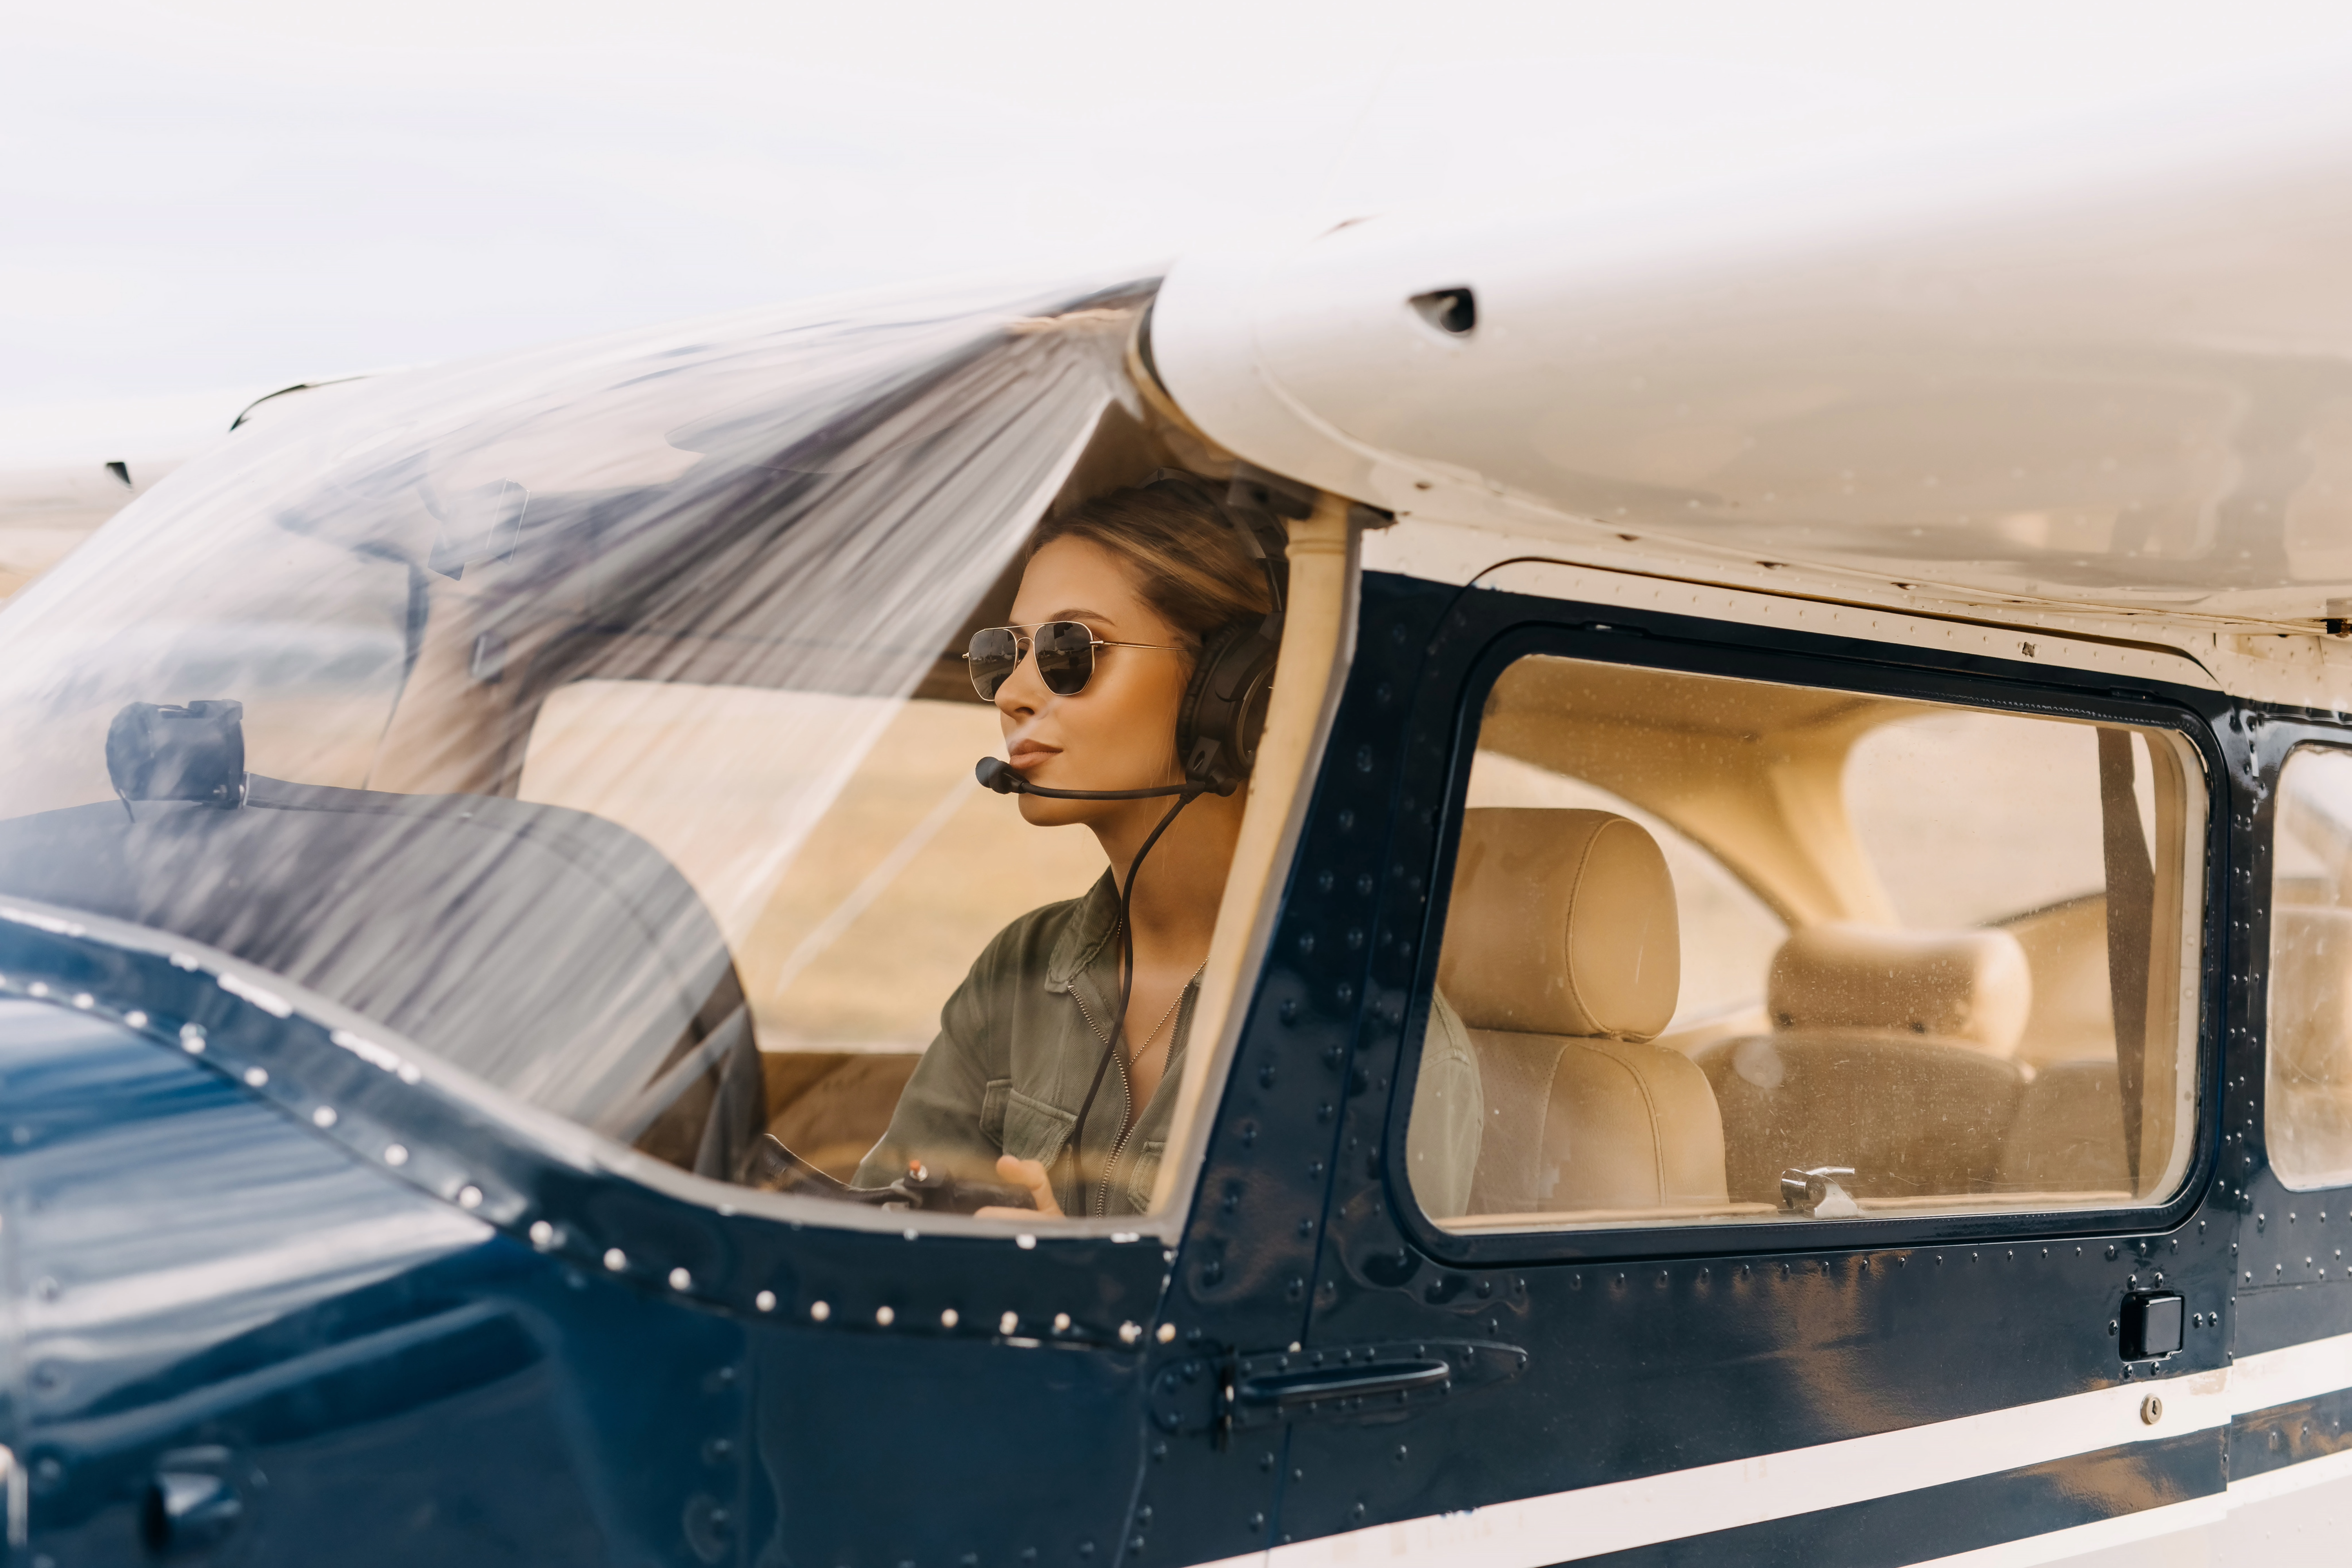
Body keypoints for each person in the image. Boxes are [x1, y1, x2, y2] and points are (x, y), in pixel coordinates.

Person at [855, 474, 1482, 1218]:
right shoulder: (1018, 972)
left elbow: (1341, 1332)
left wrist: (1076, 1285)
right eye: (1004, 653)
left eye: (1068, 649)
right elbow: (878, 1227)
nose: (1013, 693)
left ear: (1228, 693)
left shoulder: (1367, 1035)